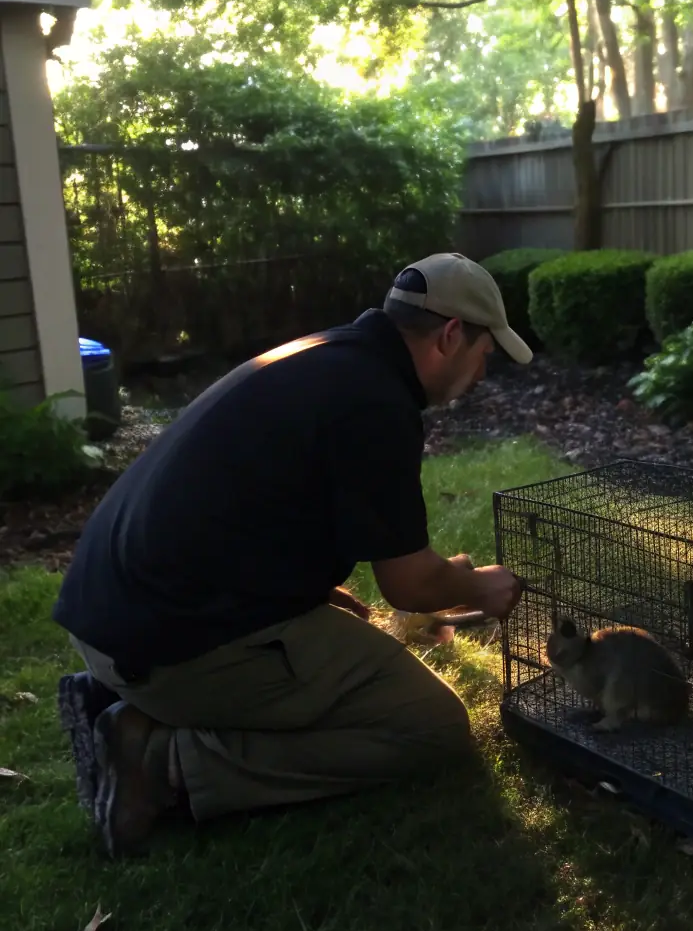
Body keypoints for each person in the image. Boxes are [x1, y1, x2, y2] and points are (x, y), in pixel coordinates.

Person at [54, 252, 530, 857]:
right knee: (430, 726)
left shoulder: (323, 356)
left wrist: (320, 594)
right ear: (452, 335)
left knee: (349, 631)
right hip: (163, 648)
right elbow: (409, 586)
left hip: (109, 618)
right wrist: (477, 587)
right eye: (485, 353)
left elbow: (252, 512)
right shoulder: (376, 404)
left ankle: (127, 706)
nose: (482, 373)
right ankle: (164, 761)